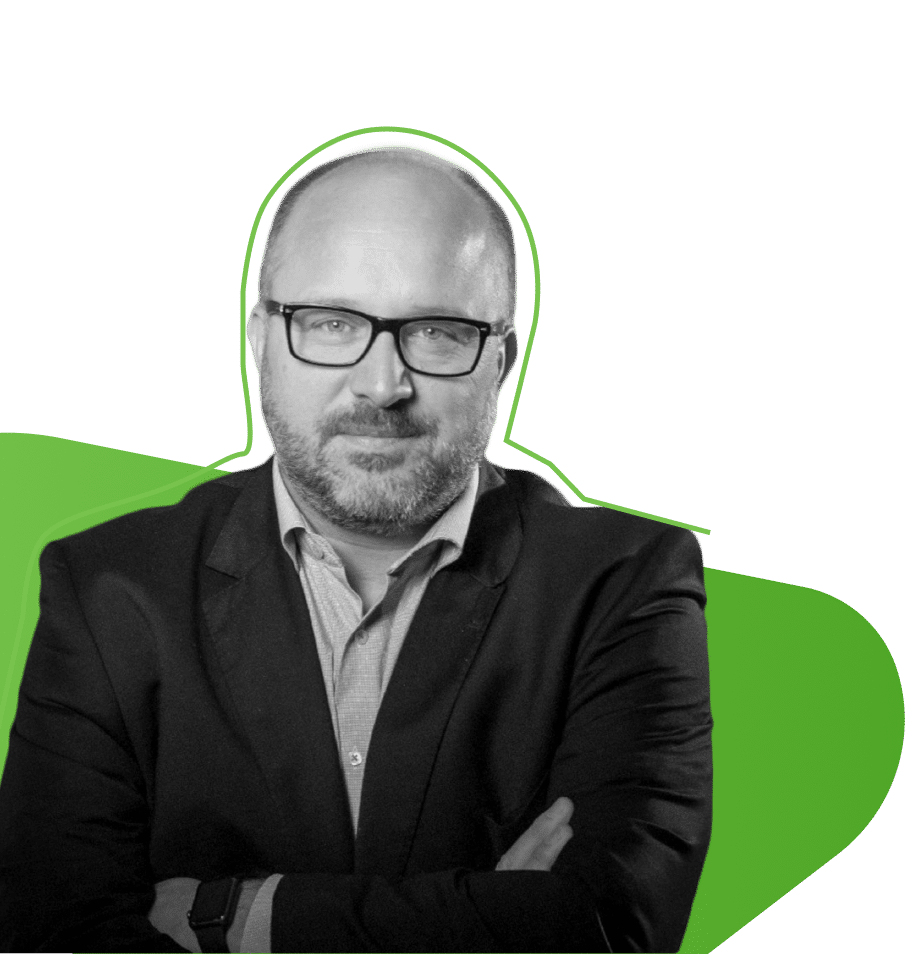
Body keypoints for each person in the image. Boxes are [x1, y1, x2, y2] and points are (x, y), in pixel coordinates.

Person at [0, 145, 713, 952]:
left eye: (437, 332)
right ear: (259, 338)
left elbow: (608, 926)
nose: (382, 385)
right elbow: (49, 935)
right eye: (331, 324)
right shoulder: (105, 585)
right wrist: (491, 916)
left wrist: (231, 917)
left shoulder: (625, 580)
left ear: (501, 361)